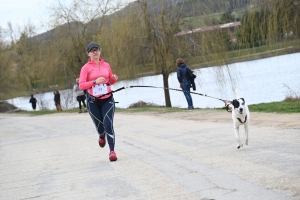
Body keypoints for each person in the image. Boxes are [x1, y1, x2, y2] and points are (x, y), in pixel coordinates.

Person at [79, 42, 119, 162]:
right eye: (92, 50)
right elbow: (81, 85)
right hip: (93, 102)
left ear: (100, 51)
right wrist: (94, 82)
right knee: (101, 128)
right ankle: (101, 135)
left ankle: (112, 151)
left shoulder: (106, 65)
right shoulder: (85, 68)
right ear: (88, 54)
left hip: (107, 99)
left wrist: (114, 79)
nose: (95, 52)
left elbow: (110, 82)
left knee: (108, 125)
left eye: (97, 50)